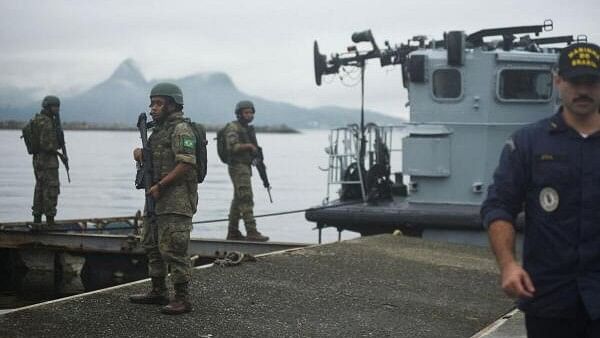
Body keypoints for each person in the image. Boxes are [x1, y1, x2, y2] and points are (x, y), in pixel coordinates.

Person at [481, 42, 600, 337]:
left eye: (592, 82)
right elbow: (499, 206)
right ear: (558, 80)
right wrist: (508, 265)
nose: (583, 90)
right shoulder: (527, 143)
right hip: (549, 299)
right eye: (575, 81)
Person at [129, 82, 198, 315]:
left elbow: (186, 164)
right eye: (151, 103)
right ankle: (158, 291)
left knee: (174, 249)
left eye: (159, 103)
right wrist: (140, 153)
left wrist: (161, 185)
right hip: (155, 198)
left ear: (172, 104)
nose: (153, 108)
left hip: (175, 200)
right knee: (151, 243)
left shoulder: (181, 130)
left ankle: (182, 298)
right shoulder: (158, 131)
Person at [224, 100, 269, 241]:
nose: (249, 115)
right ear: (239, 114)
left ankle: (233, 232)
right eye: (246, 112)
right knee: (246, 198)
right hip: (238, 167)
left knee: (238, 199)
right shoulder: (233, 128)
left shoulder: (246, 129)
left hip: (245, 166)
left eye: (251, 112)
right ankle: (251, 231)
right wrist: (248, 146)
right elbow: (233, 147)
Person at [30, 95, 62, 227]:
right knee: (51, 188)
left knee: (39, 188)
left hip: (37, 160)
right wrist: (59, 153)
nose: (58, 109)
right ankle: (50, 220)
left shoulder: (37, 119)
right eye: (56, 106)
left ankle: (37, 218)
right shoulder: (47, 122)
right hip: (48, 161)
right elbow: (47, 145)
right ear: (49, 107)